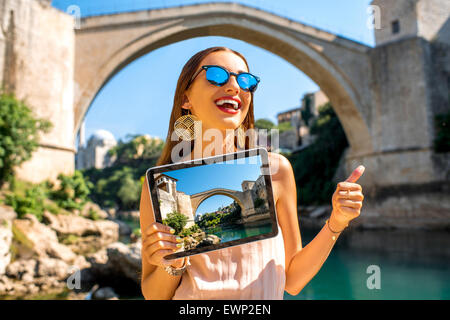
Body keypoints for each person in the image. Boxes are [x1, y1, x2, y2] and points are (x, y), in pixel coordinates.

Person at [139, 46, 365, 300]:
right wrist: (173, 263)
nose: (235, 87)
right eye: (216, 75)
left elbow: (292, 281)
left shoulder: (276, 169)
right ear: (185, 98)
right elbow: (154, 296)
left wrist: (336, 222)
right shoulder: (160, 185)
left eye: (245, 81)